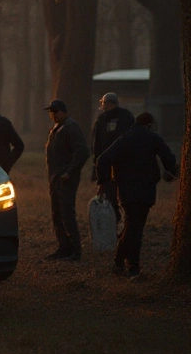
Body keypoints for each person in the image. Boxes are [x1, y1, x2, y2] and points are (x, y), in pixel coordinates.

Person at [96, 113, 178, 278]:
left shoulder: (124, 139)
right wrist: (172, 172)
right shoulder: (153, 138)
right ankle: (132, 267)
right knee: (135, 229)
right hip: (146, 190)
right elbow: (168, 158)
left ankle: (119, 263)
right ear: (148, 124)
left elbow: (102, 160)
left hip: (125, 191)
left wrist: (104, 183)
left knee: (131, 227)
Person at [43, 99, 89, 261]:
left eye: (56, 111)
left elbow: (82, 151)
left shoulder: (71, 127)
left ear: (64, 111)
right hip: (55, 179)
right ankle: (63, 248)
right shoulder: (56, 129)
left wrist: (69, 172)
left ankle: (76, 251)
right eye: (51, 112)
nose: (53, 114)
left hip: (66, 179)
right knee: (57, 214)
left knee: (67, 213)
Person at [90, 92, 135, 223]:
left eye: (103, 102)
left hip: (118, 163)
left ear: (110, 103)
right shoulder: (103, 119)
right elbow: (96, 143)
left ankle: (121, 219)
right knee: (111, 193)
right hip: (113, 163)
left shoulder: (124, 117)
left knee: (118, 193)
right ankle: (116, 218)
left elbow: (97, 145)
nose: (102, 105)